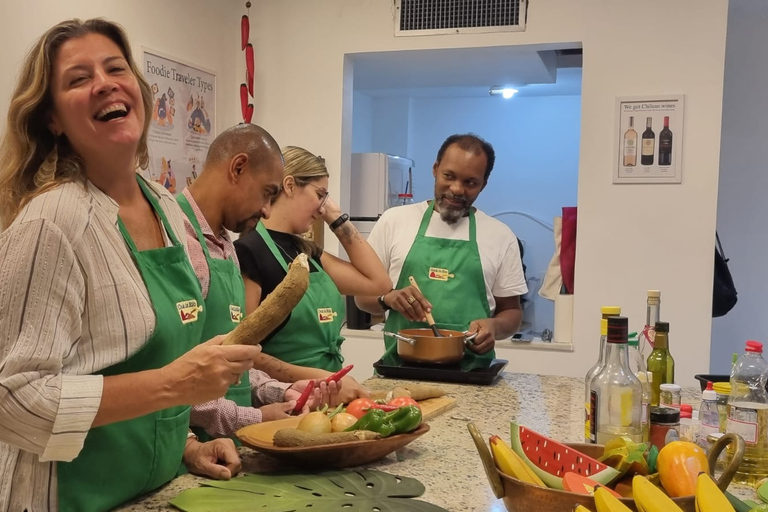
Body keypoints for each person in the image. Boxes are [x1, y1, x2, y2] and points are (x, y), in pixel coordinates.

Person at [0, 19, 262, 512]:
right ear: (53, 118)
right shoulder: (52, 222)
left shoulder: (165, 206)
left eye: (115, 68)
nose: (103, 83)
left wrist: (188, 446)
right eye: (78, 79)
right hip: (71, 497)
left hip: (153, 492)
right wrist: (177, 385)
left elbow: (148, 365)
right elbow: (13, 399)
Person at [178, 125, 340, 440]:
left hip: (233, 447)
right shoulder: (175, 240)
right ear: (238, 168)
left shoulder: (226, 245)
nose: (267, 209)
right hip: (187, 452)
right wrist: (251, 417)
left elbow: (232, 357)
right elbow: (172, 379)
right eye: (267, 192)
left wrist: (279, 391)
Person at [355, 134, 528, 371]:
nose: (457, 189)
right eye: (449, 176)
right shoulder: (394, 221)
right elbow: (362, 299)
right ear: (435, 169)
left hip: (473, 374)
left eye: (470, 182)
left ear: (483, 184)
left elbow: (512, 312)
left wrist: (494, 327)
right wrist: (388, 299)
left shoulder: (500, 236)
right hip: (400, 372)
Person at [235, 146, 392, 384]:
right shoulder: (249, 251)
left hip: (326, 393)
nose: (322, 207)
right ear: (289, 186)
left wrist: (337, 219)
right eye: (320, 194)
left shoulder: (307, 252)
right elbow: (242, 349)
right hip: (281, 399)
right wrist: (321, 379)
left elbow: (379, 284)